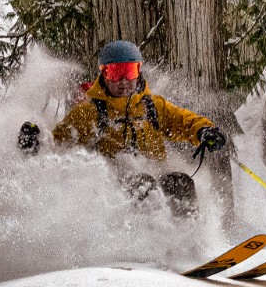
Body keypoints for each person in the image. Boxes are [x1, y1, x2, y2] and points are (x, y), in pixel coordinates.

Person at [17, 41, 225, 213]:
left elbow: (183, 120)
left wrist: (203, 131)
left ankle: (190, 239)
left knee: (180, 182)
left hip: (153, 170)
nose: (123, 81)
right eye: (116, 73)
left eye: (129, 72)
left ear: (138, 72)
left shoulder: (152, 106)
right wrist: (36, 142)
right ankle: (147, 242)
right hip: (114, 186)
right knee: (143, 184)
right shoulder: (89, 112)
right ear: (104, 75)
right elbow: (60, 144)